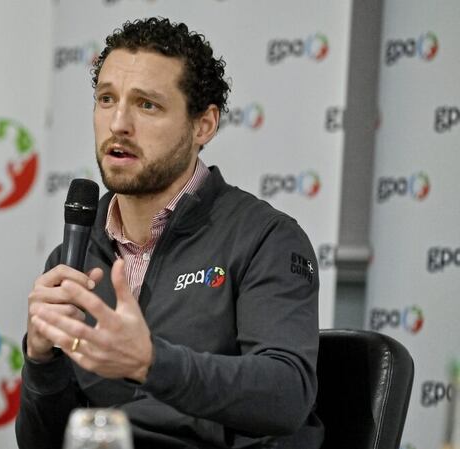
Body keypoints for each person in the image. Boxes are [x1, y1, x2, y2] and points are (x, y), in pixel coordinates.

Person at [16, 17, 323, 449]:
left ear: (204, 125)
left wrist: (151, 362)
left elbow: (286, 394)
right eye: (107, 99)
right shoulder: (75, 256)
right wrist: (42, 361)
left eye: (147, 105)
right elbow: (44, 443)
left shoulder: (266, 238)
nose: (118, 123)